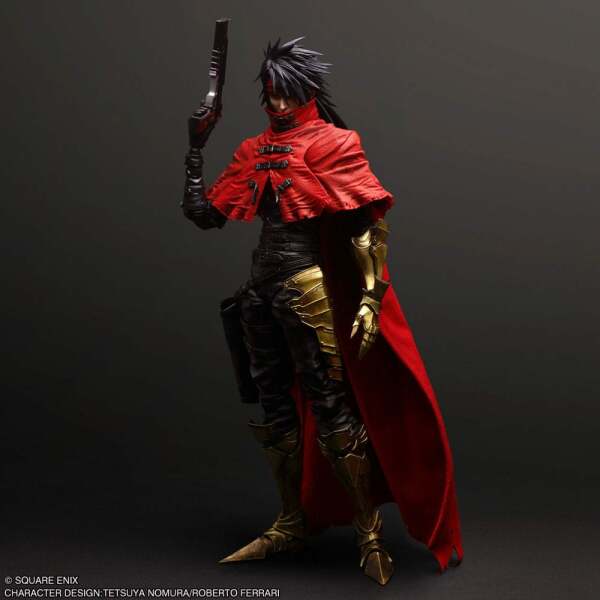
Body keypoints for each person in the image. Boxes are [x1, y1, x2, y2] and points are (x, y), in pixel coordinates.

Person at [181, 37, 463, 586]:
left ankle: (368, 534)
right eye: (270, 94)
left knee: (331, 405)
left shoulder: (334, 143)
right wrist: (196, 148)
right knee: (274, 406)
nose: (278, 104)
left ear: (306, 91)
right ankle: (292, 520)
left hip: (306, 288)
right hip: (260, 291)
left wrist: (370, 299)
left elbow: (366, 227)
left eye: (287, 94)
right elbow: (204, 214)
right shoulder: (252, 149)